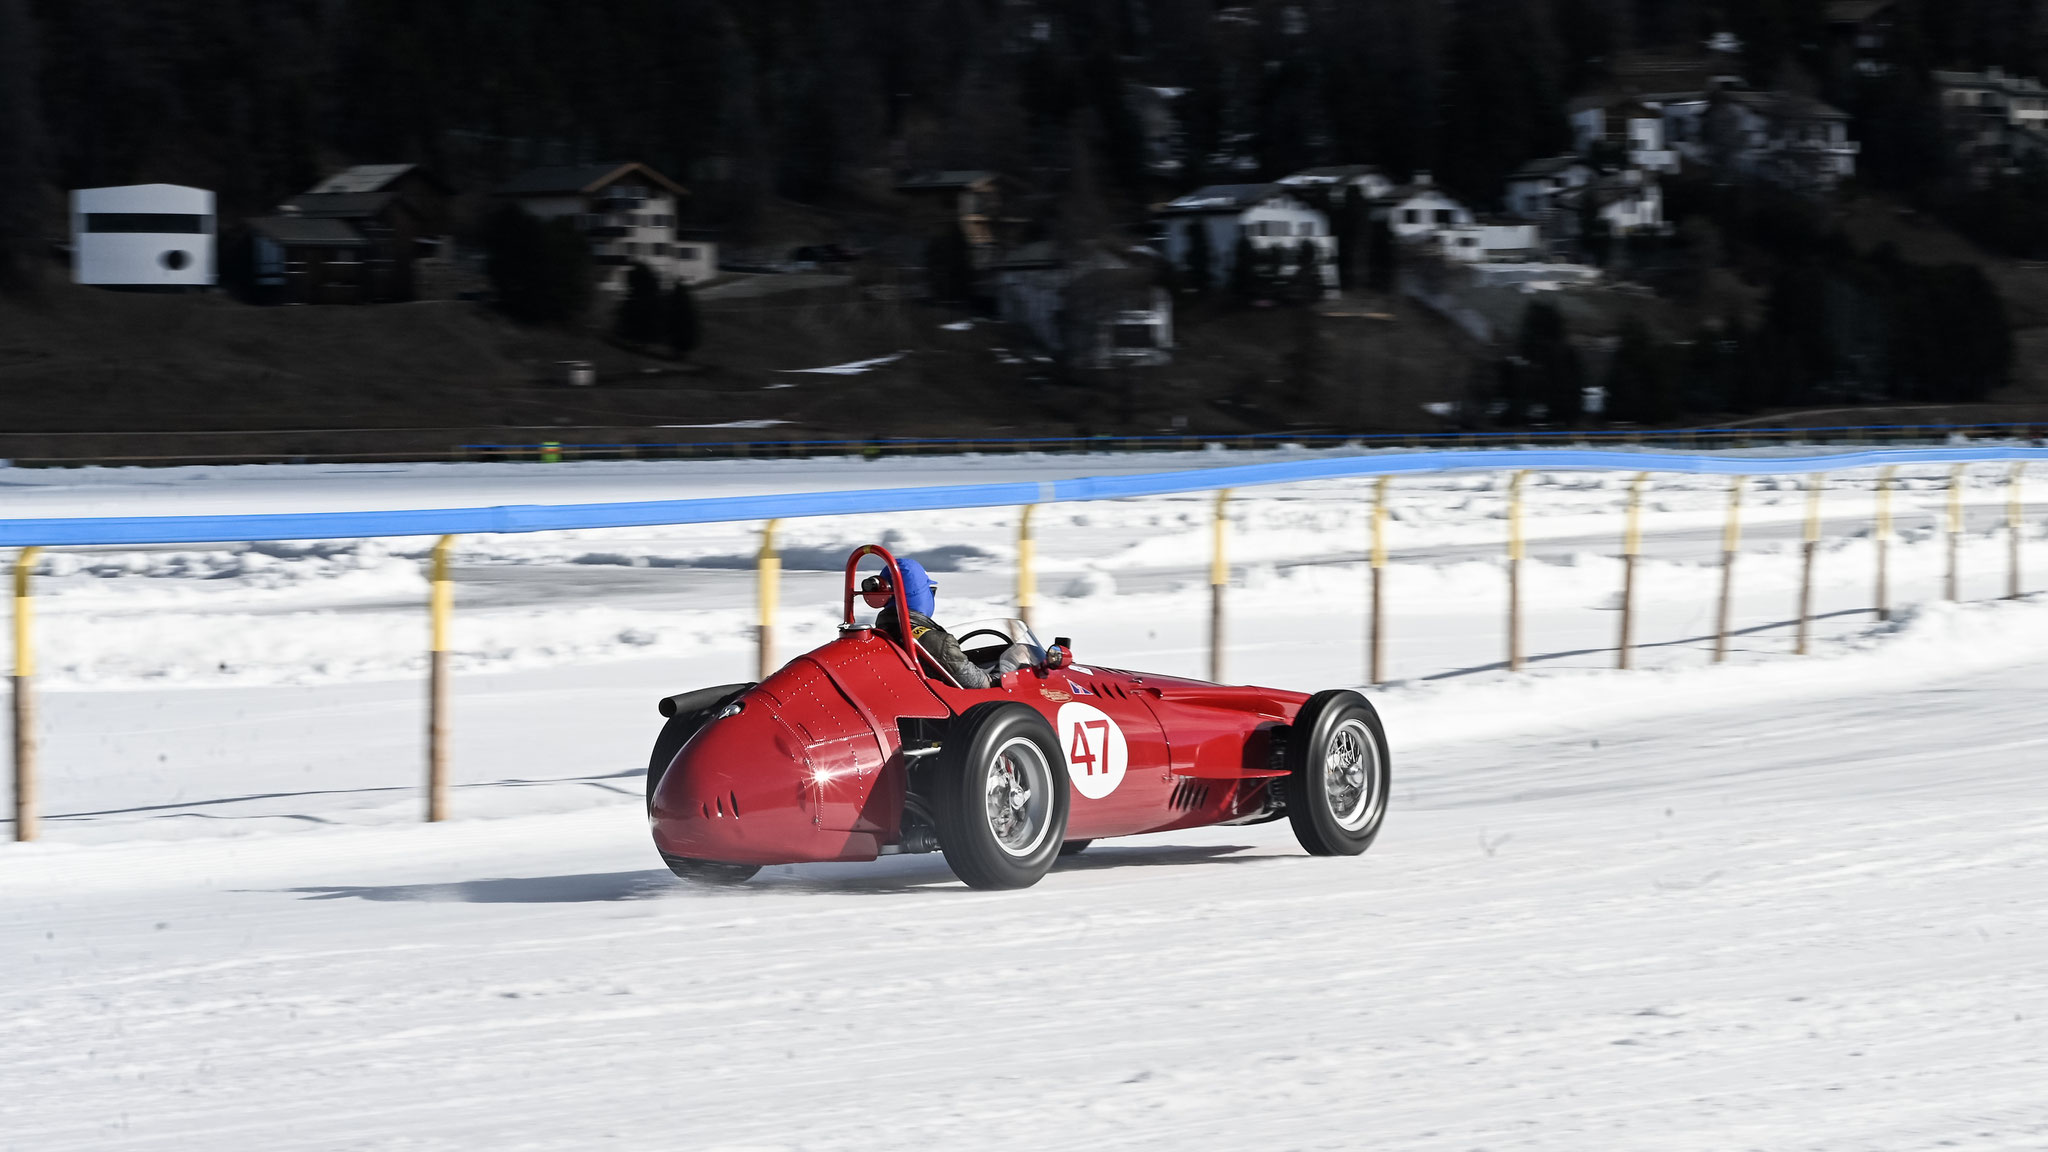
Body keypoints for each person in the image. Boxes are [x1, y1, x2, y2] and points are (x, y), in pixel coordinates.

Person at [863, 557, 991, 688]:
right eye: (930, 592)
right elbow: (981, 687)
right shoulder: (939, 644)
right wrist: (1008, 663)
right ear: (920, 595)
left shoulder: (880, 636)